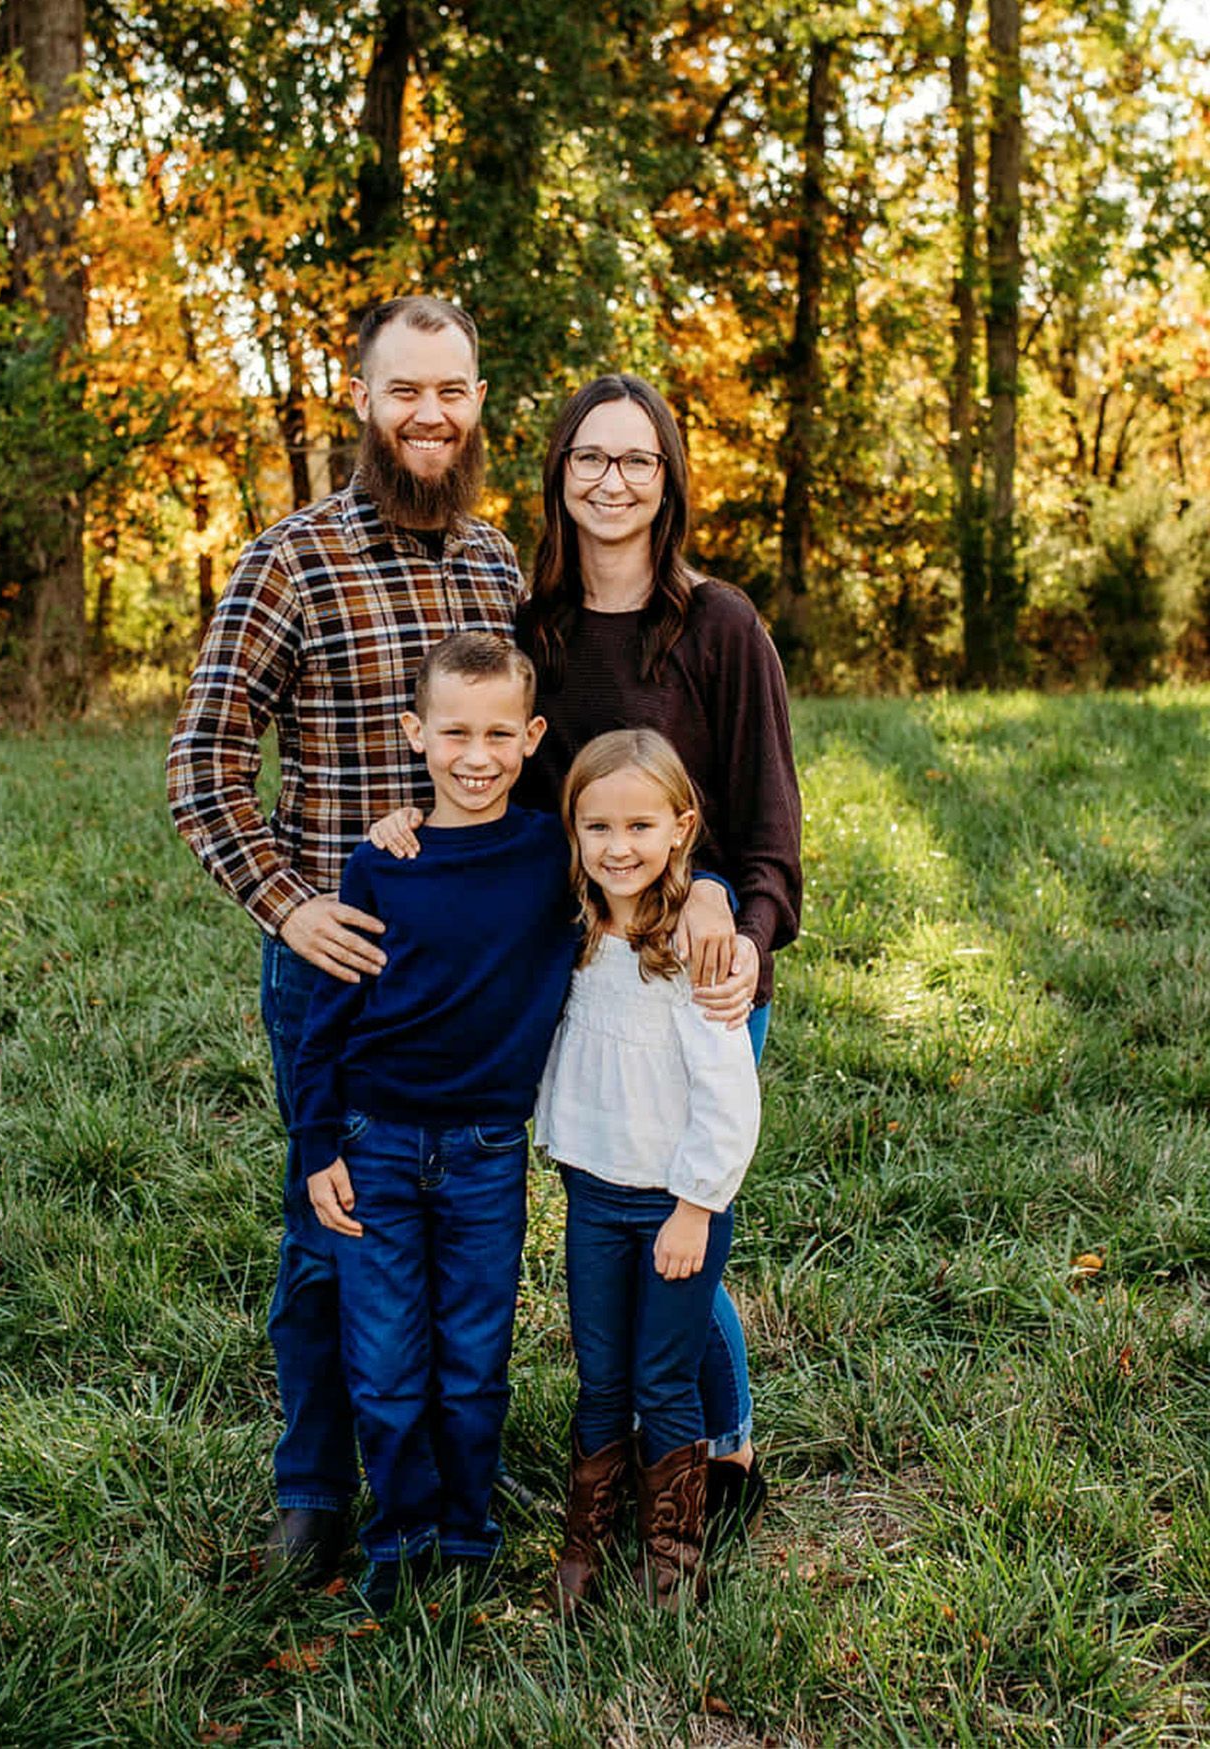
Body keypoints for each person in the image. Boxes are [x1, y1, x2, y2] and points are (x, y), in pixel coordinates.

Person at [376, 372, 804, 1531]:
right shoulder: (530, 633)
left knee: (685, 1207)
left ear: (667, 482)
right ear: (558, 475)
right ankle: (623, 1449)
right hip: (576, 970)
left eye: (637, 461)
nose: (611, 481)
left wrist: (741, 925)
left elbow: (768, 822)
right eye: (588, 459)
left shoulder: (717, 625)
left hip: (703, 967)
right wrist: (419, 822)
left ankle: (719, 1449)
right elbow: (492, 781)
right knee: (613, 1205)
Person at [167, 296, 524, 1584]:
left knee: (467, 1231)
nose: (431, 414)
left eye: (454, 390)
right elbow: (203, 765)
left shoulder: (496, 566)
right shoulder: (291, 561)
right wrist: (289, 905)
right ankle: (313, 1490)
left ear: (479, 401)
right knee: (332, 1227)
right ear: (360, 400)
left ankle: (440, 1479)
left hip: (474, 983)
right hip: (339, 972)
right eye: (405, 390)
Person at [291, 633, 577, 1613]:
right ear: (414, 734)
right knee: (380, 1367)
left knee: (470, 1363)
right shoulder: (379, 863)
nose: (476, 753)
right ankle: (397, 1534)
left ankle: (465, 1536)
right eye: (453, 730)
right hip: (372, 1141)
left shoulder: (551, 854)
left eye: (500, 732)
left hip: (487, 1152)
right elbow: (329, 1014)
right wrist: (315, 1143)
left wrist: (711, 900)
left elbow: (646, 845)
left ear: (532, 736)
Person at [534, 729, 760, 1611]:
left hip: (676, 1206)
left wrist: (696, 1206)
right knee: (601, 1374)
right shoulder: (579, 938)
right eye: (597, 827)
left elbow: (729, 1099)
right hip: (592, 1197)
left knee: (664, 1376)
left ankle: (673, 1554)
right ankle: (584, 1542)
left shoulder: (691, 957)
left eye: (639, 825)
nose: (617, 847)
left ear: (681, 828)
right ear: (573, 831)